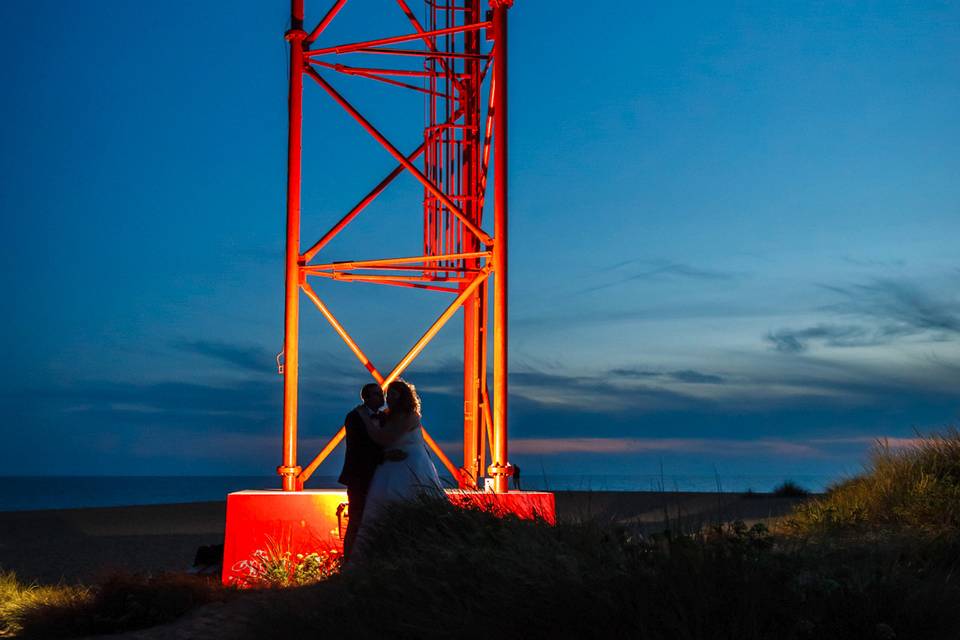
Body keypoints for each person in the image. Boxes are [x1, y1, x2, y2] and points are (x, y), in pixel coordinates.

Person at [353, 379, 443, 553]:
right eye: (388, 394)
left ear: (403, 396)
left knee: (409, 500)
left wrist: (365, 418)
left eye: (393, 394)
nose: (388, 398)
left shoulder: (410, 416)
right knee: (382, 506)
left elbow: (384, 438)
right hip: (390, 465)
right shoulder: (388, 414)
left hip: (411, 465)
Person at [337, 383, 387, 563]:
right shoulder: (354, 417)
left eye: (382, 394)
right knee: (356, 519)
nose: (382, 398)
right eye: (377, 394)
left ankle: (369, 560)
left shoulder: (383, 417)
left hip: (378, 475)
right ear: (366, 397)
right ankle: (349, 561)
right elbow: (360, 447)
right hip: (359, 477)